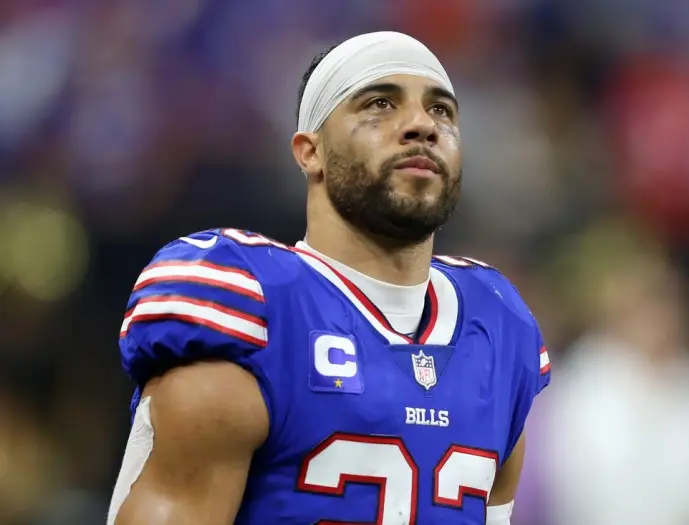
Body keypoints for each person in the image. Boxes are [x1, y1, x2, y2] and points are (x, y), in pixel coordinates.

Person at [107, 31, 551, 525]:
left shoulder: (497, 325)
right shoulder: (254, 306)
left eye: (441, 111)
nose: (422, 125)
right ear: (309, 152)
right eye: (380, 103)